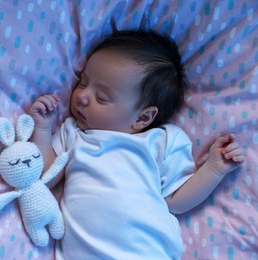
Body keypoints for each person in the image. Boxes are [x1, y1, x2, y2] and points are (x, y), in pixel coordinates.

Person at [28, 29, 245, 259]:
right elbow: (46, 177)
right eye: (82, 83)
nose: (82, 96)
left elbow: (177, 201)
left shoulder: (162, 140)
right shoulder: (74, 133)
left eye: (102, 97)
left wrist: (213, 169)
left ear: (142, 118)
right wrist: (42, 129)